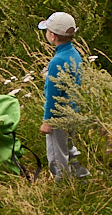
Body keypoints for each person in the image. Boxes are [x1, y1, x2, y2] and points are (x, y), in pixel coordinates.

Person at [38, 11, 90, 181]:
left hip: (58, 116)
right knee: (68, 147)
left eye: (46, 31)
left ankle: (63, 185)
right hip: (72, 110)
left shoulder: (56, 61)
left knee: (56, 153)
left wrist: (48, 121)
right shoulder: (73, 54)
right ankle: (81, 175)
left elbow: (53, 96)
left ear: (52, 36)